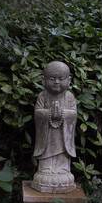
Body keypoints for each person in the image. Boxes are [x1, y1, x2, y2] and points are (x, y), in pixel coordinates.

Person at [32, 61, 77, 193]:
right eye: (52, 78)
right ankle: (45, 169)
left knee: (62, 151)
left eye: (61, 78)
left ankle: (62, 169)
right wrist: (48, 113)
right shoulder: (42, 96)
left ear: (69, 80)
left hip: (63, 134)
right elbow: (37, 113)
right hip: (47, 134)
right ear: (44, 80)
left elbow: (73, 114)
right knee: (46, 152)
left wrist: (64, 114)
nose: (56, 82)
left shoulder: (69, 97)